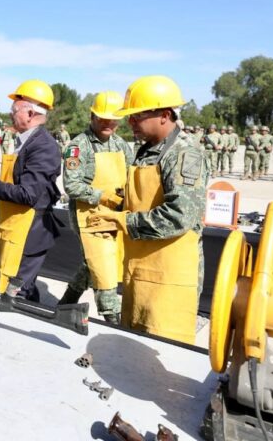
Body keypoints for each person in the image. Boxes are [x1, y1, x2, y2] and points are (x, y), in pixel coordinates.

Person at [87, 75, 208, 344]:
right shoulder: (147, 151)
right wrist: (115, 201)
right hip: (140, 272)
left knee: (162, 352)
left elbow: (180, 216)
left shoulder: (183, 154)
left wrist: (125, 221)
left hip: (170, 277)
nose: (129, 123)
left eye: (136, 116)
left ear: (164, 115)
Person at [0, 80, 61, 301]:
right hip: (17, 228)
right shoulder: (26, 141)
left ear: (29, 113)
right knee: (23, 291)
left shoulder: (43, 146)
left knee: (15, 298)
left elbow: (28, 194)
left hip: (29, 232)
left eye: (13, 110)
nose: (10, 114)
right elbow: (20, 182)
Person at [58, 91, 133, 323]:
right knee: (103, 265)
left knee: (94, 263)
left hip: (116, 215)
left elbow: (132, 175)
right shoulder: (77, 146)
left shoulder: (121, 144)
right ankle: (112, 318)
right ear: (92, 116)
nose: (108, 123)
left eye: (113, 119)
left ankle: (65, 304)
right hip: (87, 217)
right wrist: (102, 196)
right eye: (103, 118)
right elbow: (71, 185)